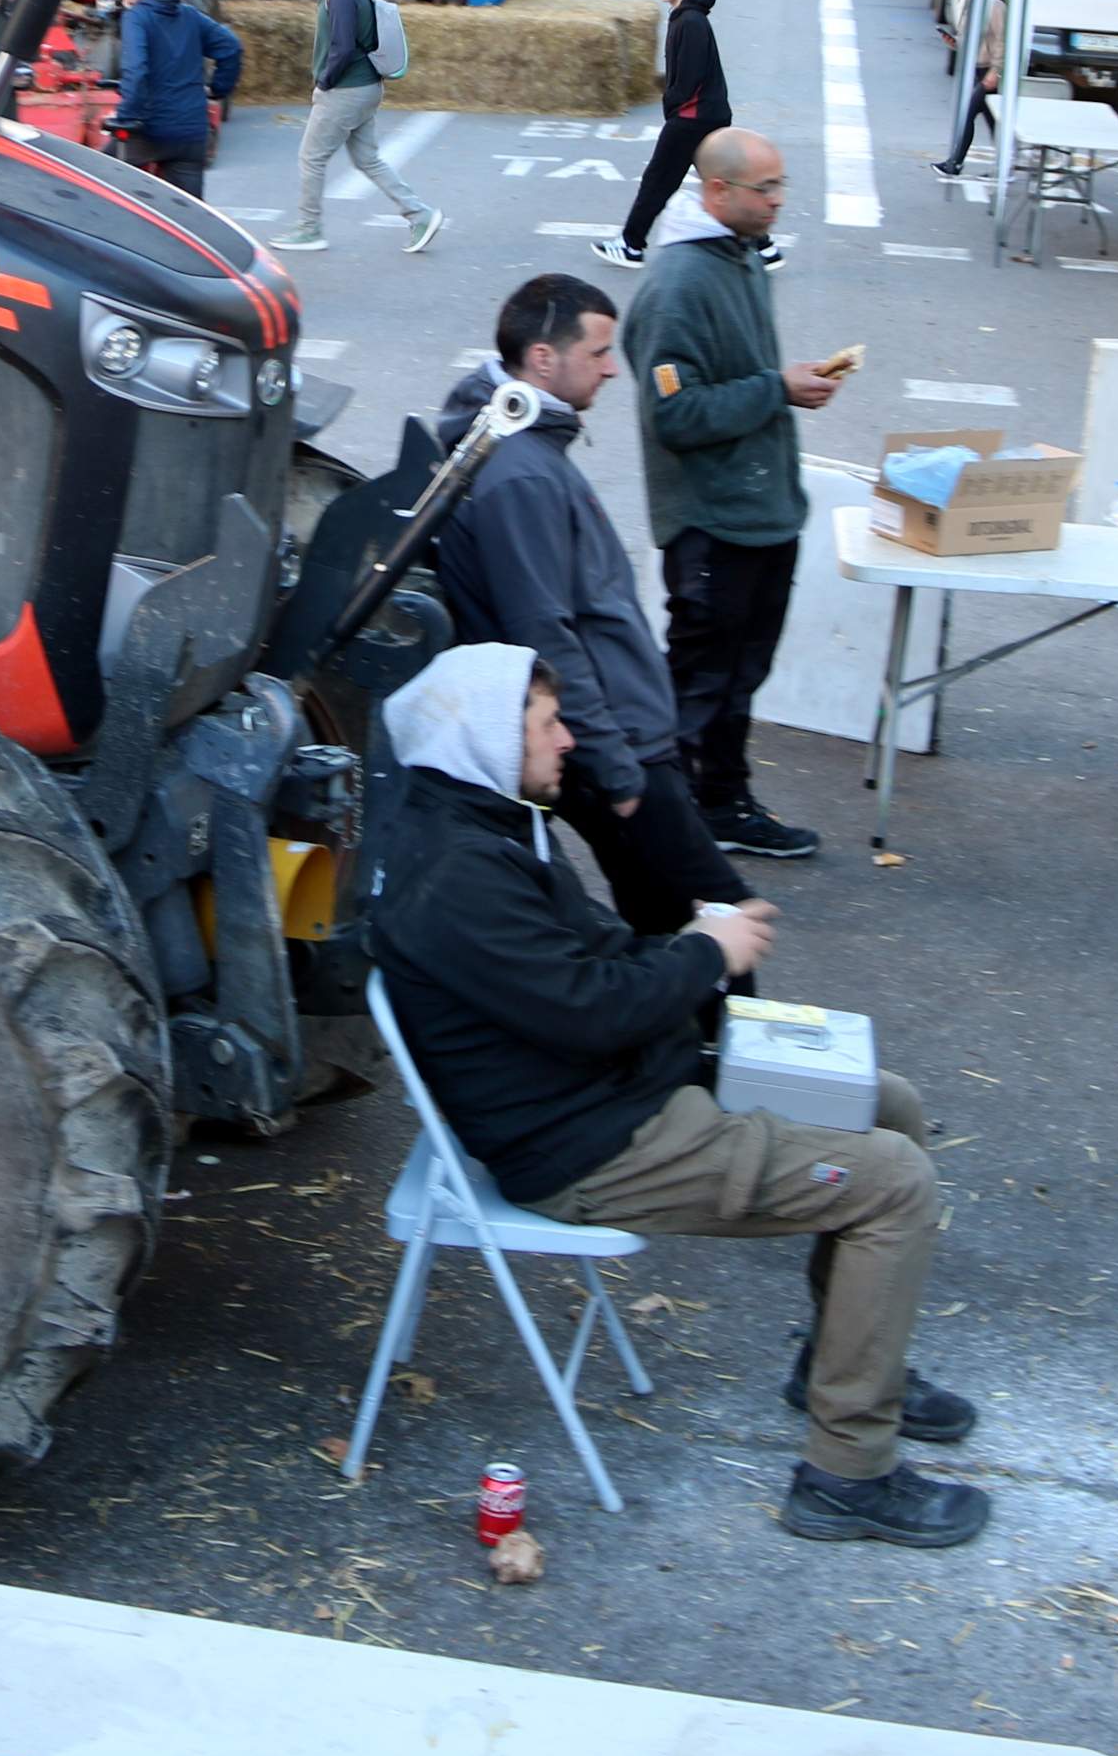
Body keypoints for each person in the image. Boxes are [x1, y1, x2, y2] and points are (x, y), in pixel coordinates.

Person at [366, 641, 987, 1549]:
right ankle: (847, 1472)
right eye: (547, 725)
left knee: (883, 1100)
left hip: (614, 1090)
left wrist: (691, 945)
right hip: (591, 1143)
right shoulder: (456, 877)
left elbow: (593, 961)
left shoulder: (489, 827)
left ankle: (841, 1363)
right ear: (486, 742)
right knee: (895, 1184)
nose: (568, 741)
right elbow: (588, 1014)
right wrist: (708, 954)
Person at [424, 274, 757, 932]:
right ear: (543, 360)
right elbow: (543, 629)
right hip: (616, 741)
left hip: (614, 734)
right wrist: (618, 772)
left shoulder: (519, 446)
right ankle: (703, 1033)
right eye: (599, 353)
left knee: (669, 918)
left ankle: (681, 1030)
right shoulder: (521, 473)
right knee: (721, 920)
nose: (612, 369)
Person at [620, 128, 841, 861]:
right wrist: (776, 389)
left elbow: (733, 383)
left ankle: (721, 802)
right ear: (716, 192)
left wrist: (781, 387)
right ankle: (672, 826)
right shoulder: (679, 284)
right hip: (714, 521)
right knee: (702, 680)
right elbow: (675, 415)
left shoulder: (741, 258)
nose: (779, 200)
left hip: (761, 512)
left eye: (781, 185)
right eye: (766, 189)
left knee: (738, 675)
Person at [275, 0, 442, 256]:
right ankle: (420, 214)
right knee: (367, 159)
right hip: (364, 87)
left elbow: (343, 45)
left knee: (311, 157)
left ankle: (309, 229)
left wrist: (323, 83)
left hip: (346, 90)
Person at [596, 0, 731, 268]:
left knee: (657, 179)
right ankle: (763, 246)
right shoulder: (685, 16)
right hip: (703, 114)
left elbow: (689, 77)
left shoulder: (691, 21)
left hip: (691, 117)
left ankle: (631, 245)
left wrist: (671, 102)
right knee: (723, 180)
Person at [105, 0, 239, 196]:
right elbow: (231, 47)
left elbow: (136, 71)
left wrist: (125, 117)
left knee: (99, 176)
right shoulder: (190, 15)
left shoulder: (136, 17)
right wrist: (218, 88)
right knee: (189, 212)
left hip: (151, 130)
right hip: (191, 132)